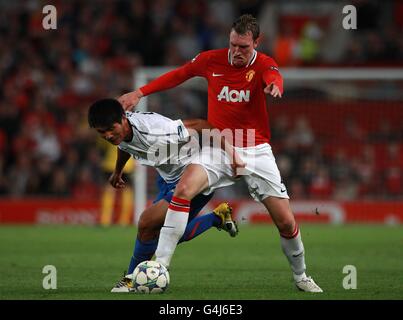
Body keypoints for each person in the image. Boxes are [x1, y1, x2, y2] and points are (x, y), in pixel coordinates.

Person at [118, 14, 323, 292]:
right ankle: (160, 267)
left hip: (255, 148)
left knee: (286, 222)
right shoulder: (210, 59)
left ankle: (301, 276)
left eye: (244, 47)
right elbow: (179, 75)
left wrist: (276, 84)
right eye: (233, 45)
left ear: (256, 43)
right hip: (218, 143)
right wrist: (140, 92)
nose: (237, 52)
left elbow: (274, 74)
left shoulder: (264, 63)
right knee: (183, 190)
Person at [88, 98, 242, 292]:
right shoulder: (123, 132)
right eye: (102, 132)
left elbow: (201, 125)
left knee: (146, 222)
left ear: (123, 119)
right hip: (168, 179)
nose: (108, 135)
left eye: (111, 129)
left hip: (193, 178)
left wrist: (232, 154)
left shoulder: (156, 130)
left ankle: (130, 280)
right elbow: (125, 145)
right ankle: (215, 218)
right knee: (159, 233)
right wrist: (117, 171)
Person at [98, 138, 135, 226]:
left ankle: (105, 220)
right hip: (127, 164)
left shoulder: (108, 130)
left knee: (109, 190)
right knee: (127, 190)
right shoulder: (129, 129)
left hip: (111, 163)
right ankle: (124, 221)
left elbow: (101, 144)